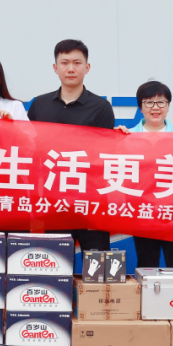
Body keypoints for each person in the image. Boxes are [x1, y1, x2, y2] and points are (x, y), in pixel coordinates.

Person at [27, 39, 116, 252]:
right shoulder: (40, 105)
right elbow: (29, 148)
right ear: (55, 67)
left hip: (91, 203)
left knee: (96, 265)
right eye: (65, 63)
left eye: (77, 63)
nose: (71, 69)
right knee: (56, 263)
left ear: (87, 67)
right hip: (53, 201)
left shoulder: (101, 107)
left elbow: (106, 155)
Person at [117, 80, 173, 268]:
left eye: (161, 102)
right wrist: (114, 139)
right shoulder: (126, 137)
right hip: (143, 213)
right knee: (147, 265)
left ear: (168, 106)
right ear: (140, 107)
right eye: (149, 102)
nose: (155, 107)